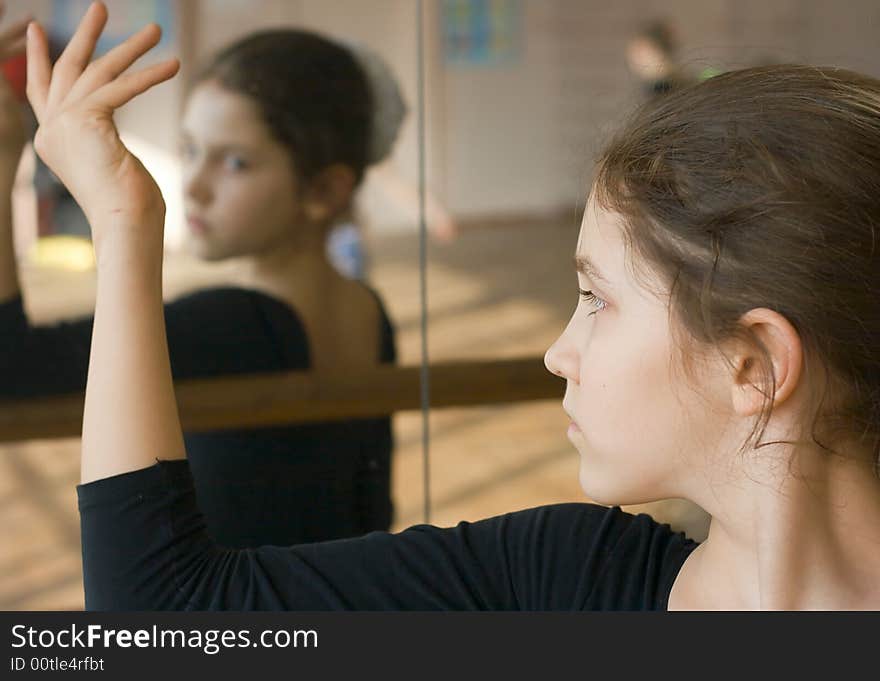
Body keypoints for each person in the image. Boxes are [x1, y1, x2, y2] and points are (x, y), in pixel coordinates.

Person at [29, 3, 880, 610]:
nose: (558, 351)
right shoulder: (554, 573)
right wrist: (124, 221)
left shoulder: (569, 583)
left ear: (754, 365)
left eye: (595, 300)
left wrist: (122, 226)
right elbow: (165, 617)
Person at [2, 6, 401, 548]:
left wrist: (3, 160)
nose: (194, 186)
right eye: (191, 150)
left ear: (325, 190)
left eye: (234, 162)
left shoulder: (235, 324)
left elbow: (10, 369)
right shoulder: (367, 307)